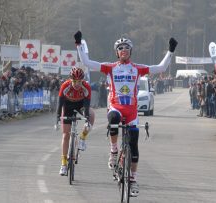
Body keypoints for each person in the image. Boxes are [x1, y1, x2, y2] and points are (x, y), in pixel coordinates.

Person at [74, 31, 177, 197]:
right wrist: (78, 44)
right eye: (120, 48)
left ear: (131, 51)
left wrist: (171, 51)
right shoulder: (110, 67)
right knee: (113, 119)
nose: (124, 50)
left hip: (132, 112)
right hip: (115, 107)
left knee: (134, 148)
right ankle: (114, 151)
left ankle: (133, 178)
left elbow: (161, 68)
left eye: (127, 48)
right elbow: (86, 62)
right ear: (116, 52)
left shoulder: (137, 69)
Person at [56, 67, 95, 176]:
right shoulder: (65, 86)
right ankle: (63, 164)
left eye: (79, 81)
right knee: (65, 135)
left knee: (91, 115)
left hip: (81, 105)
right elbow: (59, 104)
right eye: (74, 81)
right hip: (67, 106)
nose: (77, 84)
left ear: (83, 80)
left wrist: (87, 120)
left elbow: (87, 106)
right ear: (70, 79)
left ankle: (82, 138)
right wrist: (58, 118)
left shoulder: (86, 87)